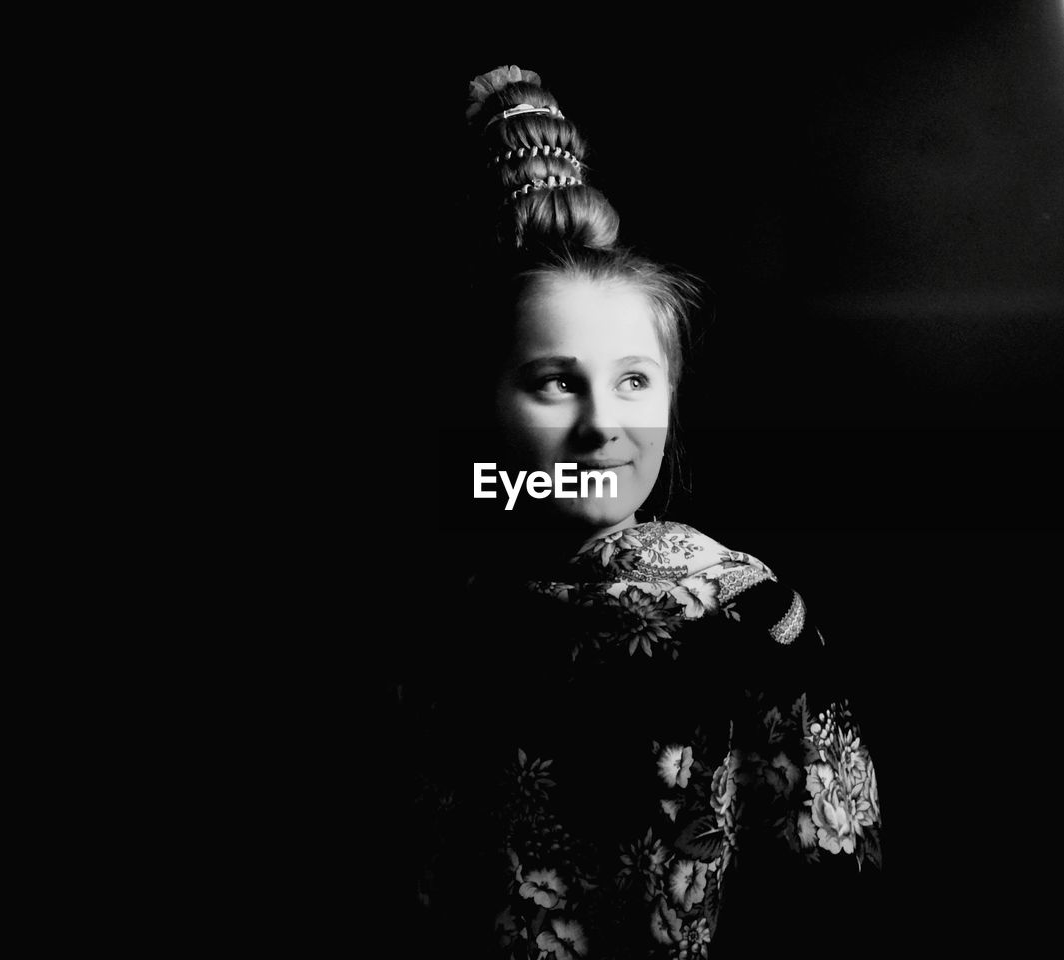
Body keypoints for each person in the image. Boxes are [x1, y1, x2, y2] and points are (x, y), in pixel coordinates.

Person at [411, 64, 881, 957]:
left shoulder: (746, 619)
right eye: (556, 382)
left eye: (635, 380)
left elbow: (835, 894)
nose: (603, 427)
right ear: (485, 401)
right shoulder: (445, 615)